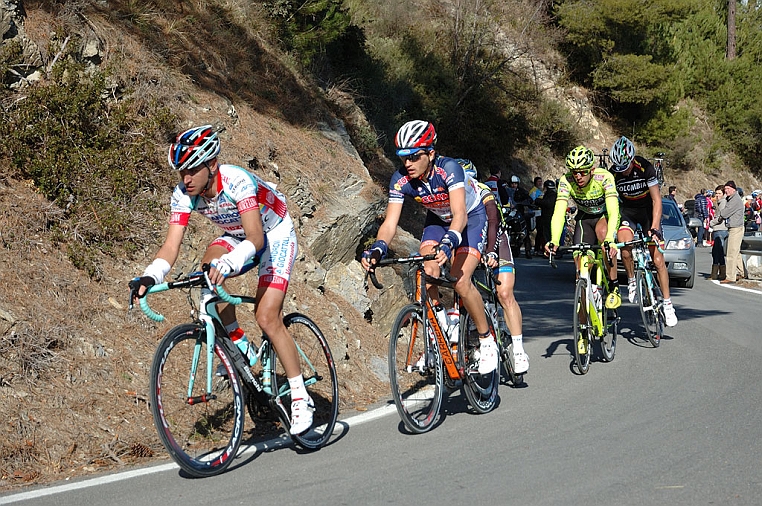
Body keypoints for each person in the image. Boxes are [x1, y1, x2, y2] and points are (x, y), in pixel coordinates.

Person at [130, 125, 314, 435]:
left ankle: (299, 396)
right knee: (206, 273)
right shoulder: (184, 194)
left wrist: (229, 262)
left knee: (267, 316)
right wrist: (150, 275)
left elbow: (256, 239)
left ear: (211, 165)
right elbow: (171, 245)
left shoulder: (236, 181)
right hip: (238, 234)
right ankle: (239, 341)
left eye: (191, 170)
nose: (185, 179)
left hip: (273, 233)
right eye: (180, 172)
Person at [361, 120, 498, 374]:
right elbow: (390, 223)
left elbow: (459, 216)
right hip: (437, 218)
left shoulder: (449, 169)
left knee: (460, 280)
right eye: (403, 157)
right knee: (426, 267)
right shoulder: (400, 180)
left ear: (431, 153)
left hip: (470, 216)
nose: (408, 163)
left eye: (414, 156)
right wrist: (378, 248)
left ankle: (486, 339)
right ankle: (440, 323)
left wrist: (448, 244)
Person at [462, 162, 529, 373]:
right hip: (470, 242)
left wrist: (490, 252)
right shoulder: (449, 195)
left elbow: (492, 222)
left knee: (505, 293)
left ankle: (518, 349)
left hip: (497, 241)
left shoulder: (483, 192)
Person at [608, 136, 677, 326]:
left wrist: (654, 228)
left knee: (657, 259)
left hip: (647, 211)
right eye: (619, 168)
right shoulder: (613, 173)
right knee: (625, 246)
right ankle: (631, 280)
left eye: (626, 167)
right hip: (628, 212)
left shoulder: (645, 167)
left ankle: (667, 303)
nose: (624, 171)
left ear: (632, 159)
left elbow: (657, 200)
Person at [544, 146, 622, 310]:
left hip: (604, 216)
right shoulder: (566, 181)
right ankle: (583, 329)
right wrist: (554, 240)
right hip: (584, 219)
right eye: (574, 172)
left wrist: (610, 239)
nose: (578, 176)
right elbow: (558, 212)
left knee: (603, 235)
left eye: (583, 172)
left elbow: (614, 210)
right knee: (580, 267)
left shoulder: (604, 177)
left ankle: (614, 286)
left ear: (592, 170)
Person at [713, 181, 746, 284]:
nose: (725, 191)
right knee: (736, 252)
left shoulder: (734, 200)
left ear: (733, 189)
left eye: (727, 189)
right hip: (734, 228)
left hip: (736, 228)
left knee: (731, 253)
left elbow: (725, 213)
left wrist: (714, 221)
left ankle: (730, 276)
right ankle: (742, 272)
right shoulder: (731, 199)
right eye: (725, 189)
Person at [509, 175, 535, 259]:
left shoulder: (522, 191)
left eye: (515, 184)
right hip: (509, 213)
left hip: (520, 213)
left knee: (525, 230)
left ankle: (528, 250)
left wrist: (521, 203)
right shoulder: (507, 191)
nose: (513, 185)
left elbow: (529, 199)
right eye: (512, 184)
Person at [709, 185, 727, 280]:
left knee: (716, 251)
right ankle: (720, 273)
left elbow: (721, 217)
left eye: (719, 193)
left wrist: (711, 223)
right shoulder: (719, 202)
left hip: (720, 228)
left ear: (723, 194)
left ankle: (715, 273)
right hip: (719, 228)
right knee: (718, 252)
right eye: (716, 193)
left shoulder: (723, 202)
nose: (717, 195)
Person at [536, 179, 557, 255]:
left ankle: (548, 250)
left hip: (547, 218)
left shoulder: (550, 195)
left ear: (546, 187)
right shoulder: (554, 194)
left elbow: (547, 203)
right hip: (551, 217)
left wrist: (537, 201)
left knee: (546, 235)